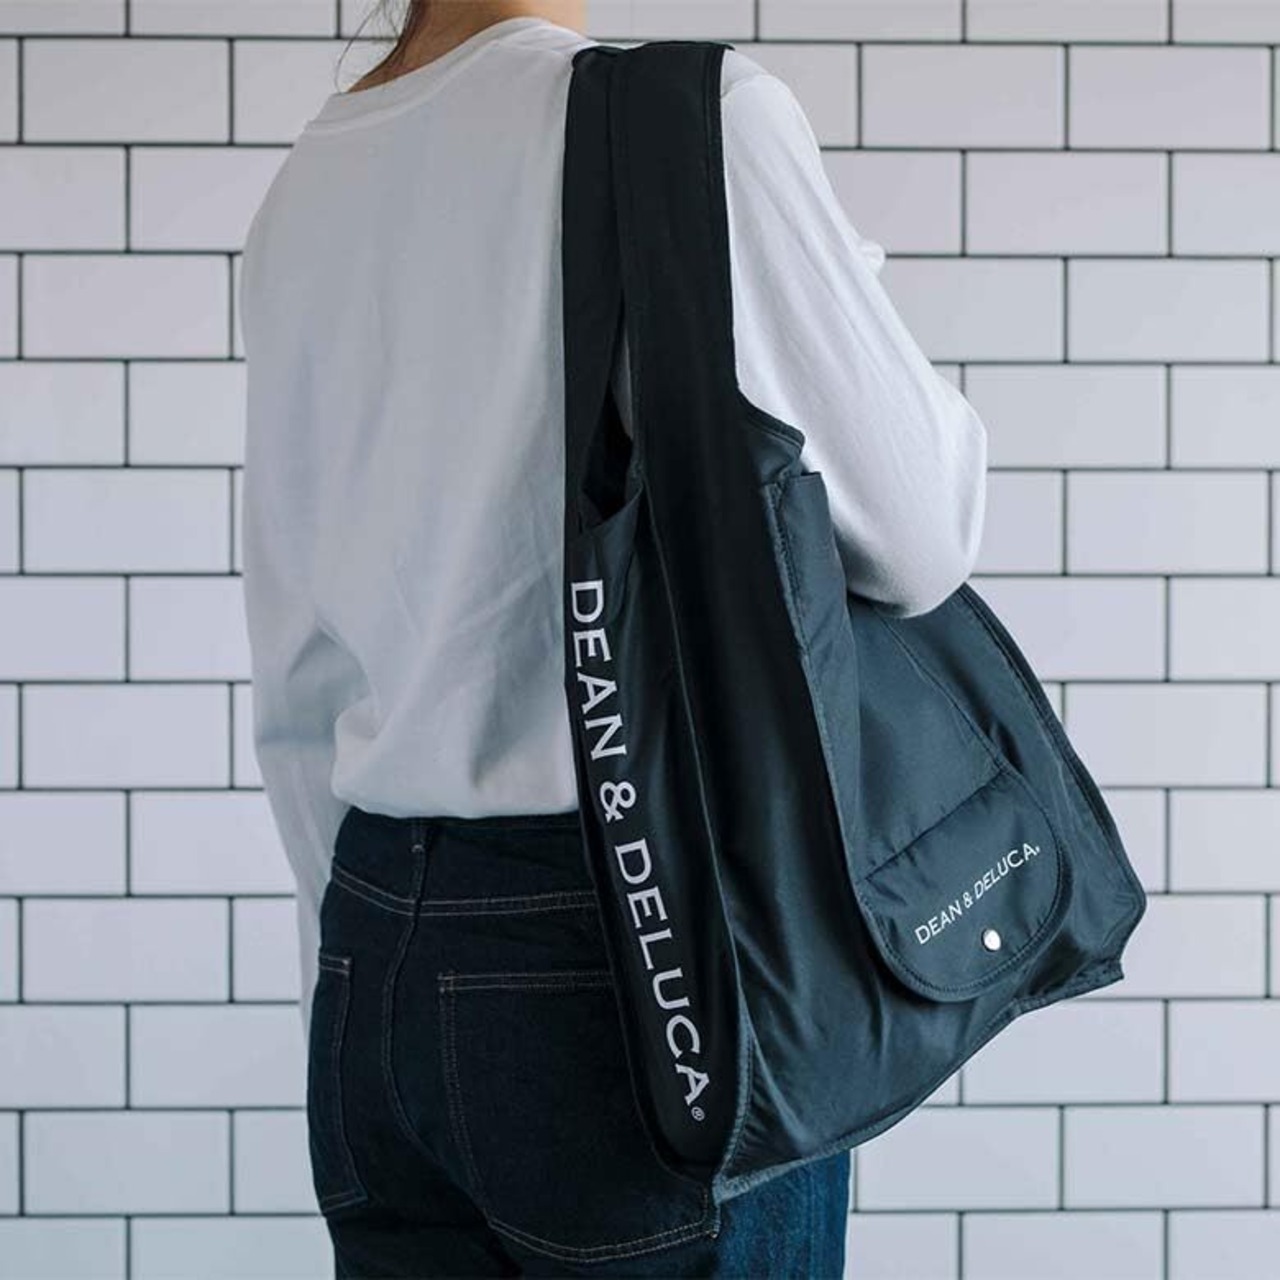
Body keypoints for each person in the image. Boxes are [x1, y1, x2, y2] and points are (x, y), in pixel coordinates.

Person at [238, 1, 988, 1274]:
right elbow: (919, 532)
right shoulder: (695, 120)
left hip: (377, 948)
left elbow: (300, 647)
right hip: (640, 935)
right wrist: (839, 277)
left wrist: (368, 957)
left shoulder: (313, 179)